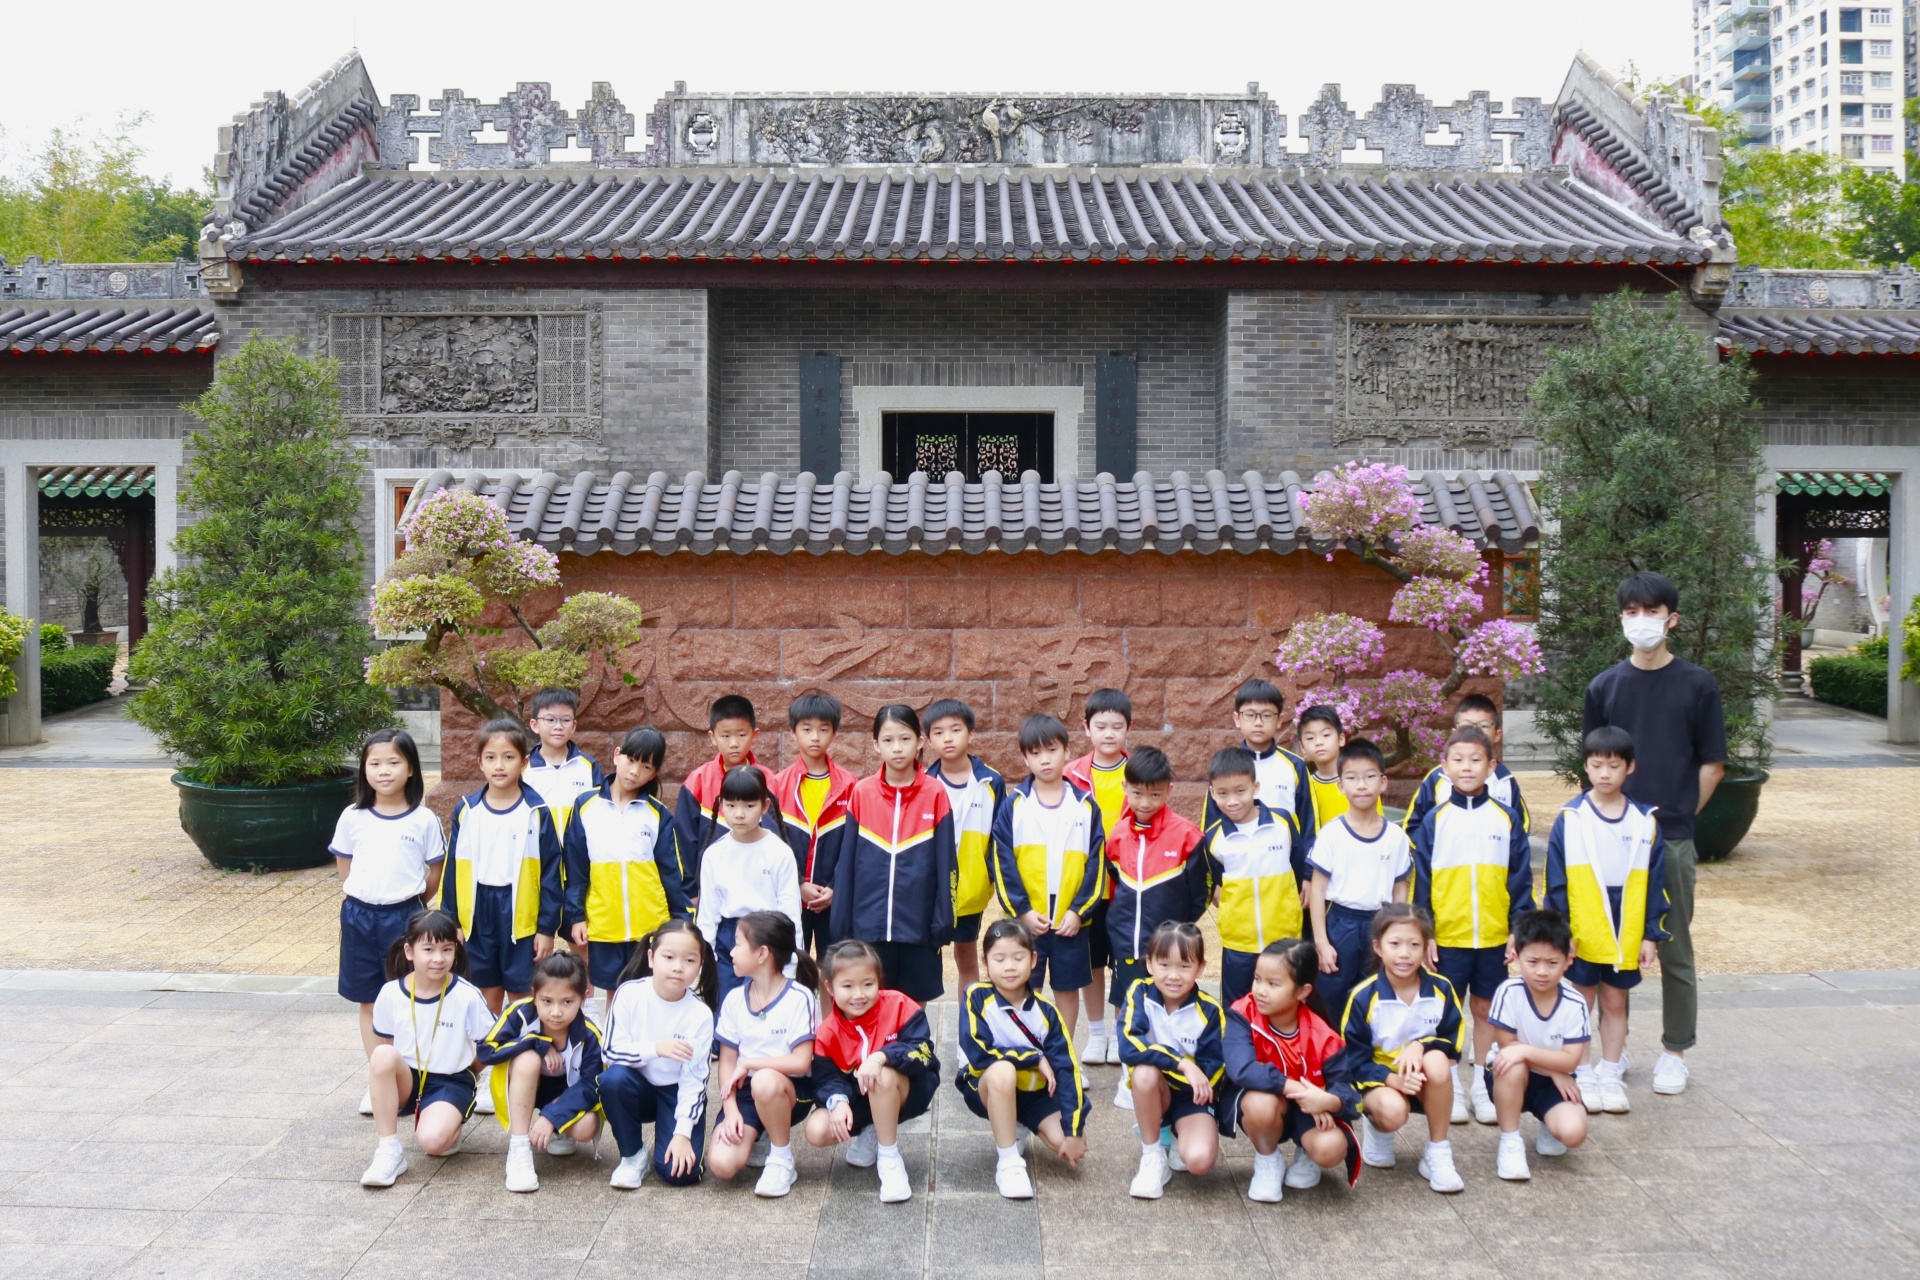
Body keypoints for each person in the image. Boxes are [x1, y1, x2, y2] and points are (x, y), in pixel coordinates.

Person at [1582, 570, 1726, 1097]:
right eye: (1631, 612)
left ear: (1672, 619)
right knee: (1603, 945)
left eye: (1651, 611)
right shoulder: (1604, 687)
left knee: (1674, 948)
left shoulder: (1697, 684)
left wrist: (1678, 817)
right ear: (1621, 619)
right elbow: (1593, 763)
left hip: (1672, 838)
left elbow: (1713, 764)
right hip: (1611, 839)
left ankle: (1674, 1052)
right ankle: (1610, 1054)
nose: (1640, 621)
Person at [1410, 725, 1533, 1128]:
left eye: (1476, 760)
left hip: (1494, 935)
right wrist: (1425, 932)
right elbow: (1422, 882)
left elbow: (1520, 878)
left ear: (1491, 766)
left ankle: (1482, 1083)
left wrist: (1518, 928)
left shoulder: (1506, 817)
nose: (1466, 767)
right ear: (1444, 766)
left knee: (1486, 1009)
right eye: (1458, 760)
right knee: (1448, 1010)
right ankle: (1451, 1089)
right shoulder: (1434, 819)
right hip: (1448, 936)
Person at [1544, 726, 1670, 1116]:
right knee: (1580, 1000)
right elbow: (1556, 881)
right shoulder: (1572, 818)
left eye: (1614, 766)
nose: (1604, 773)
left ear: (1630, 767)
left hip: (1626, 924)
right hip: (1583, 923)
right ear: (1585, 766)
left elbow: (1656, 882)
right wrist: (1562, 933)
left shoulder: (1644, 820)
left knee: (1615, 1000)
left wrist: (1650, 934)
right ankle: (1582, 1072)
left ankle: (1611, 1073)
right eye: (1597, 764)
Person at [333, 728, 444, 1117]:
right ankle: (379, 1080)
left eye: (394, 762)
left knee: (411, 997)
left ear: (411, 768)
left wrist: (414, 907)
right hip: (360, 916)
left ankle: (414, 1082)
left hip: (405, 916)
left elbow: (434, 872)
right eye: (374, 763)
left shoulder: (424, 819)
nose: (384, 771)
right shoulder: (353, 817)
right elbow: (345, 866)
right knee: (369, 1000)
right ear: (364, 769)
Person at [1326, 904, 1467, 1194]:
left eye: (1414, 945)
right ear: (1378, 947)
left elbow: (1453, 1043)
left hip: (1424, 1080)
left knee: (1438, 1061)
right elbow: (1351, 1060)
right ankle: (1378, 1129)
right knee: (1392, 1112)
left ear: (1426, 947)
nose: (1404, 953)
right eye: (1395, 944)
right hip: (1379, 1081)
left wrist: (1421, 1046)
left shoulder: (1441, 989)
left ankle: (1438, 1151)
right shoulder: (1363, 997)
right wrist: (1391, 1079)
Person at [824, 704, 959, 1003]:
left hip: (918, 927)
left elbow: (947, 863)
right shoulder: (862, 792)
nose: (897, 748)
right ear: (876, 744)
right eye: (888, 740)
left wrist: (943, 921)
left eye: (905, 739)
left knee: (913, 1007)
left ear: (920, 742)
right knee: (872, 1003)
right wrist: (841, 922)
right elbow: (846, 864)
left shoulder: (935, 793)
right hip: (867, 927)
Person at [991, 713, 1106, 1042]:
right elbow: (1002, 863)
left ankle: (1064, 1053)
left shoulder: (1085, 806)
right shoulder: (1015, 806)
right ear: (1025, 757)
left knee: (1067, 990)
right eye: (1036, 752)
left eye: (1052, 750)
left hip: (1071, 922)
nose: (1045, 759)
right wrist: (1023, 911)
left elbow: (1096, 865)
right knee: (1027, 986)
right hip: (1030, 921)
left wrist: (1078, 911)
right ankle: (1029, 1049)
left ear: (1067, 751)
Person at [360, 908, 495, 1188]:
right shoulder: (390, 993)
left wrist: (471, 1072)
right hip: (409, 1078)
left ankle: (450, 1120)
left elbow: (491, 1043)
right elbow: (388, 1047)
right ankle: (388, 1149)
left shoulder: (467, 995)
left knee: (433, 1143)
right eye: (429, 949)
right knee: (382, 1055)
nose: (438, 958)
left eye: (447, 949)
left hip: (450, 1080)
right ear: (409, 951)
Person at [1104, 745, 1208, 1107]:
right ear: (1125, 788)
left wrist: (1178, 933)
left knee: (1167, 1006)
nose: (1145, 802)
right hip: (1126, 944)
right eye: (1137, 793)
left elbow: (1201, 891)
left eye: (1155, 794)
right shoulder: (1118, 834)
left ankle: (1171, 1075)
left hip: (1169, 948)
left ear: (1169, 791)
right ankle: (1128, 1078)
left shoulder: (1188, 835)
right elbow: (1114, 880)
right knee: (1128, 1006)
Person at [957, 919, 1091, 1199]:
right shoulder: (976, 996)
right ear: (985, 962)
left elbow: (1067, 1069)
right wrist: (1033, 1057)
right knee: (1003, 1071)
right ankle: (1008, 1163)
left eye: (1018, 958)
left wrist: (1073, 1128)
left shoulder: (1047, 1011)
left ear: (1033, 960)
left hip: (1035, 1094)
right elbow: (979, 1053)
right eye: (1000, 959)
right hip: (987, 1087)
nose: (1009, 966)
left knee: (1067, 1141)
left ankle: (1018, 1123)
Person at [442, 719, 563, 1025]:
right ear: (479, 762)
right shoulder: (466, 810)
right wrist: (452, 920)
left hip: (520, 915)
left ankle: (523, 1050)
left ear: (524, 762)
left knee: (522, 992)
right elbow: (452, 869)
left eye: (508, 757)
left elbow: (551, 874)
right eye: (491, 757)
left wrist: (546, 928)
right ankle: (487, 1050)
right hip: (477, 914)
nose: (499, 765)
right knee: (485, 992)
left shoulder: (536, 812)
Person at [805, 940, 941, 1204]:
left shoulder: (900, 1005)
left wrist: (882, 1057)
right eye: (847, 986)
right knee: (816, 1129)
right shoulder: (828, 1031)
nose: (859, 995)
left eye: (868, 984)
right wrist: (838, 1101)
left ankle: (889, 1159)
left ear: (879, 981)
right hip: (862, 1098)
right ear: (830, 988)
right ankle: (872, 1128)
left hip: (909, 1090)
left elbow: (923, 1051)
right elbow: (826, 1078)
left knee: (882, 1076)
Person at [1225, 938, 1360, 1203]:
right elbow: (1241, 1069)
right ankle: (1267, 1161)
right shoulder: (1242, 1014)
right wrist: (1294, 1086)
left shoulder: (1324, 1036)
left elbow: (1351, 1095)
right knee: (1259, 1103)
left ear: (1302, 991)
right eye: (1257, 979)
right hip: (1268, 1107)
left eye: (1273, 984)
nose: (1261, 990)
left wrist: (1329, 1101)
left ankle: (1307, 1154)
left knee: (1331, 1148)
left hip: (1310, 1112)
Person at [563, 726, 690, 1005]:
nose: (635, 771)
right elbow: (575, 869)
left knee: (651, 994)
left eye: (645, 767)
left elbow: (671, 874)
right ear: (617, 755)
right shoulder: (585, 806)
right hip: (604, 923)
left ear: (654, 774)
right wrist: (576, 916)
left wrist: (680, 920)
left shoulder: (657, 813)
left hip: (650, 926)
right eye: (631, 760)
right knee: (615, 994)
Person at [707, 911, 820, 1198]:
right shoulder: (734, 998)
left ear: (762, 954)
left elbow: (801, 1062)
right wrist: (730, 1110)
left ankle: (781, 1159)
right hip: (746, 1090)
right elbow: (727, 1063)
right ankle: (761, 1131)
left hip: (788, 1089)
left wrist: (750, 1063)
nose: (731, 952)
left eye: (738, 944)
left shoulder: (800, 997)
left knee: (764, 1081)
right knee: (721, 1164)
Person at [598, 919, 718, 1189]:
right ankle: (632, 1156)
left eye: (689, 960)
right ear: (651, 958)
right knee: (613, 1080)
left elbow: (695, 1080)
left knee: (681, 1174)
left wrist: (682, 1133)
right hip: (635, 1086)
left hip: (676, 1092)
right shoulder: (629, 994)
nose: (678, 967)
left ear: (700, 966)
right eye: (669, 957)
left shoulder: (700, 1014)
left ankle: (671, 1137)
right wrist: (656, 1048)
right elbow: (610, 1051)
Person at [475, 950, 605, 1193]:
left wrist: (551, 1116)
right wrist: (536, 1042)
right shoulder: (519, 1013)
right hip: (521, 1086)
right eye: (547, 1001)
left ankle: (558, 1130)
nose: (556, 1011)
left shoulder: (590, 1035)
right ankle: (519, 1147)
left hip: (561, 1094)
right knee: (528, 1060)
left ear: (583, 998)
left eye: (567, 1002)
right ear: (534, 995)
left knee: (588, 1126)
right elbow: (486, 1050)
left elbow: (591, 1086)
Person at [1305, 738, 1412, 1030]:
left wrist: (1398, 934)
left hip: (1380, 923)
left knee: (1375, 994)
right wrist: (1321, 942)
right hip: (1340, 924)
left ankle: (1366, 1052)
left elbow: (1400, 887)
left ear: (1383, 782)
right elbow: (1318, 890)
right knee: (1332, 993)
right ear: (1341, 786)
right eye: (1352, 778)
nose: (1361, 785)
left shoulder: (1396, 837)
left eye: (1369, 776)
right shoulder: (1332, 834)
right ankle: (1334, 1052)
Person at [1119, 921, 1227, 1199]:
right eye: (1164, 965)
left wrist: (1186, 1072)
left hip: (1192, 1098)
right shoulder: (1139, 992)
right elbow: (1129, 1046)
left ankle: (1177, 1132)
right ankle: (1152, 1153)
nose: (1174, 975)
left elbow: (1211, 1075)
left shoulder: (1210, 1011)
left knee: (1199, 1162)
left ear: (1200, 968)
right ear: (1149, 964)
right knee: (1144, 1073)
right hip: (1153, 1090)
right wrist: (1183, 1063)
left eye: (1184, 966)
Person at [1486, 910, 1592, 1181]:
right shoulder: (1508, 992)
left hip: (1554, 1080)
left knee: (1573, 1133)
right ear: (1516, 956)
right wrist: (1554, 1069)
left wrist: (1529, 1052)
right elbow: (1508, 1047)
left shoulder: (1575, 1002)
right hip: (1510, 1074)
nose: (1542, 971)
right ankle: (1510, 1141)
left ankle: (1549, 1121)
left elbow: (1571, 1060)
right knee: (1512, 1063)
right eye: (1532, 961)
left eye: (1552, 962)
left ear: (1568, 960)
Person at [1202, 746, 1309, 1009]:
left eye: (1241, 791)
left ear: (1255, 787)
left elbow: (1298, 864)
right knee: (1238, 1009)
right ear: (1212, 793)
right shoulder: (1214, 838)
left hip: (1283, 937)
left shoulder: (1283, 823)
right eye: (1223, 793)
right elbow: (1213, 880)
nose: (1233, 801)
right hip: (1238, 942)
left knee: (1286, 1003)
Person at [924, 698, 1007, 992]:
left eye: (955, 730)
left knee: (966, 957)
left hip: (971, 890)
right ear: (928, 740)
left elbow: (999, 838)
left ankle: (967, 1019)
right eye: (938, 732)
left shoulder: (991, 781)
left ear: (971, 734)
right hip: (929, 890)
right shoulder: (924, 783)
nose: (948, 738)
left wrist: (989, 878)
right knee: (923, 958)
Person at [696, 765, 802, 995]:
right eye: (731, 805)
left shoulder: (779, 852)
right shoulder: (714, 854)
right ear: (721, 804)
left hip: (768, 938)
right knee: (725, 1007)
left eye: (749, 805)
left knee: (765, 1003)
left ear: (765, 805)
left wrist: (791, 963)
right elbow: (707, 914)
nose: (739, 814)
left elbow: (790, 912)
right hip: (728, 942)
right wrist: (705, 960)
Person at [1067, 687, 1131, 1066]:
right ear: (1086, 727)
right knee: (1091, 963)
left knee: (1125, 962)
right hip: (1086, 888)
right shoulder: (1071, 774)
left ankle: (1121, 1033)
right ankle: (1095, 1034)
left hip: (1126, 888)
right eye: (1101, 726)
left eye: (1117, 726)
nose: (1109, 734)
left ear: (1128, 729)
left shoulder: (1138, 772)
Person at [771, 692, 856, 962]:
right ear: (793, 732)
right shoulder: (778, 784)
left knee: (836, 967)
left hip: (835, 898)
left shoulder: (851, 785)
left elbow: (853, 845)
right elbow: (773, 841)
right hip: (790, 896)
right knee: (792, 965)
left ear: (834, 733)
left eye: (823, 729)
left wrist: (835, 888)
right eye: (807, 729)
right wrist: (799, 883)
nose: (815, 737)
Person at [673, 694, 767, 896]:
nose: (734, 743)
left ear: (754, 735)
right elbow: (684, 841)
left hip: (759, 888)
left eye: (741, 735)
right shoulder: (697, 782)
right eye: (725, 736)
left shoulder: (769, 781)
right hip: (710, 890)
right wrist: (691, 892)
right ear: (712, 737)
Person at [1203, 678, 1314, 843]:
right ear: (1237, 718)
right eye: (1250, 715)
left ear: (1280, 720)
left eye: (1267, 715)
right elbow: (1211, 825)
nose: (1258, 723)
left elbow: (1309, 823)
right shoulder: (1225, 766)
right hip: (1237, 854)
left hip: (1285, 856)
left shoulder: (1295, 766)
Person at [1402, 694, 1530, 835]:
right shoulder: (1437, 777)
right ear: (1454, 732)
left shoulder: (1505, 780)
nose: (1474, 732)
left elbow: (1520, 827)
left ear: (1497, 735)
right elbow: (1413, 827)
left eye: (1484, 726)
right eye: (1466, 726)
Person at [523, 687, 603, 832]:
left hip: (579, 846)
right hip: (537, 846)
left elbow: (599, 810)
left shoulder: (589, 766)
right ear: (535, 725)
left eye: (565, 720)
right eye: (550, 720)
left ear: (573, 726)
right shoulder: (523, 768)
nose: (558, 726)